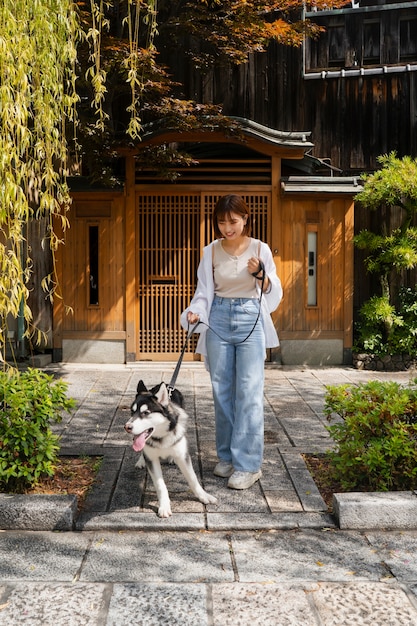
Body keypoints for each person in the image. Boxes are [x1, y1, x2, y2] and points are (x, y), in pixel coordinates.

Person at [181, 194, 283, 490]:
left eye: (233, 221)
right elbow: (204, 292)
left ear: (245, 219)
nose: (227, 228)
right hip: (219, 318)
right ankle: (226, 456)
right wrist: (195, 312)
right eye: (222, 222)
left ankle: (249, 465)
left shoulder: (259, 249)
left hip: (250, 317)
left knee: (249, 391)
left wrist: (259, 273)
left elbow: (272, 291)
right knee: (221, 390)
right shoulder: (210, 251)